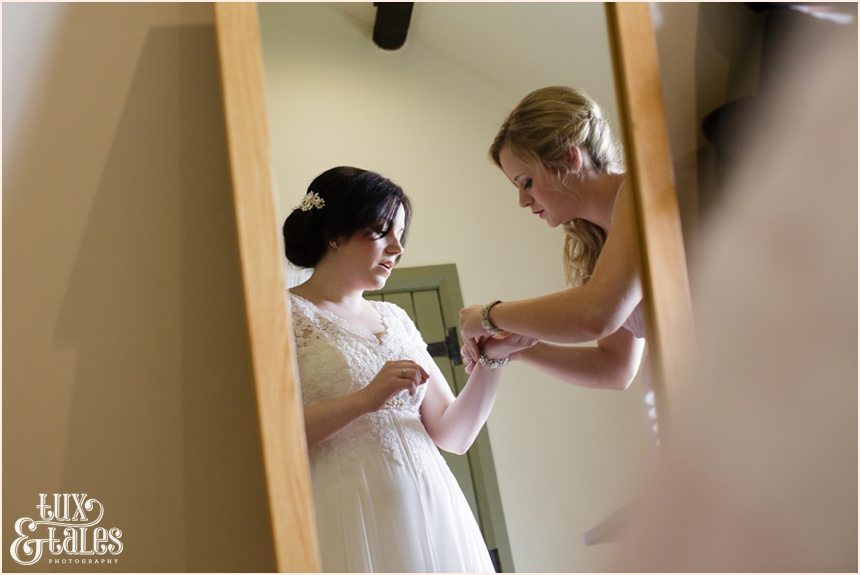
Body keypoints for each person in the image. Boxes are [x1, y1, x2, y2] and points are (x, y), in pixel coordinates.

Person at [282, 166, 535, 573]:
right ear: (335, 233)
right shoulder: (282, 314)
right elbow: (270, 438)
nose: (397, 248)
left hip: (432, 509)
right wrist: (365, 400)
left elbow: (454, 435)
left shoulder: (395, 318)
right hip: (346, 513)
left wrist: (493, 360)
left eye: (401, 235)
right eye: (382, 231)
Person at [459, 86, 646, 390]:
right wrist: (517, 348)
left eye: (526, 182)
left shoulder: (639, 190)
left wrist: (489, 316)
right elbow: (615, 368)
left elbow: (595, 314)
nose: (522, 201)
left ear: (569, 158)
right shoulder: (600, 247)